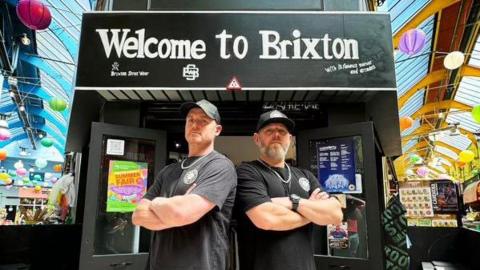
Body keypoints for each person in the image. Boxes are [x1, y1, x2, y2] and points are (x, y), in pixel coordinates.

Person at [132, 99, 237, 270]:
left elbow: (181, 213)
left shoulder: (220, 166)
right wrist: (174, 211)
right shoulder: (168, 171)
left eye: (203, 120)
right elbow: (138, 215)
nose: (195, 124)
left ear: (217, 130)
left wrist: (157, 203)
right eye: (191, 119)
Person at [235, 110, 343, 270]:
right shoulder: (247, 172)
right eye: (269, 131)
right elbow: (266, 219)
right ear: (257, 139)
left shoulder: (305, 175)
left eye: (282, 132)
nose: (276, 135)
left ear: (290, 139)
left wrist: (293, 202)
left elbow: (335, 214)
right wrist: (311, 214)